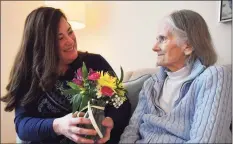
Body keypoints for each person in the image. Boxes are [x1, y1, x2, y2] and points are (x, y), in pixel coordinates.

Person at [1, 6, 131, 144]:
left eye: (70, 32)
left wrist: (110, 121)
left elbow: (122, 103)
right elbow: (22, 125)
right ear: (43, 45)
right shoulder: (28, 75)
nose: (70, 41)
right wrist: (58, 126)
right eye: (60, 38)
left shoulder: (95, 63)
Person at [120, 9, 232, 143]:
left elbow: (206, 141)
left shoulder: (213, 77)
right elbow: (131, 132)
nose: (154, 47)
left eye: (162, 39)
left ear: (188, 46)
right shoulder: (151, 84)